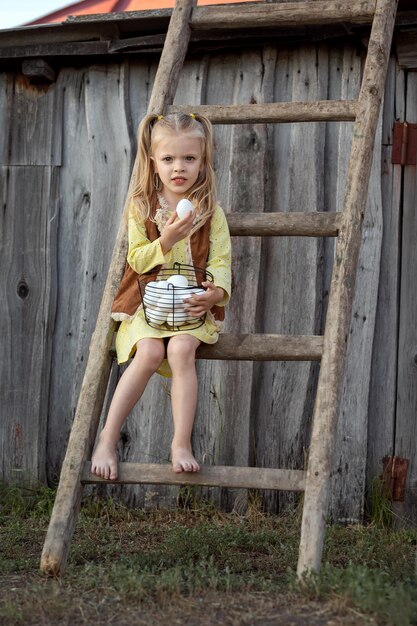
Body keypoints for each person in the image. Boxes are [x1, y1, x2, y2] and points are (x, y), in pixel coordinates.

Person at [91, 112, 232, 481]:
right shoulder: (141, 208)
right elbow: (136, 260)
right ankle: (107, 437)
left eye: (189, 158)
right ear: (154, 163)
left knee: (182, 349)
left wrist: (215, 291)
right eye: (168, 159)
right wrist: (165, 240)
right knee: (152, 351)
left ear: (203, 162)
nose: (178, 167)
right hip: (145, 305)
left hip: (189, 307)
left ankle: (180, 442)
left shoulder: (210, 214)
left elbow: (220, 259)